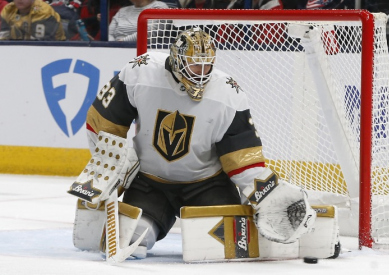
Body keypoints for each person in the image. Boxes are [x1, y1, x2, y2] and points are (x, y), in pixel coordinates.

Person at [69, 28, 316, 259]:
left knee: (230, 247)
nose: (201, 72)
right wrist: (112, 162)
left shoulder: (228, 94)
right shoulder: (140, 72)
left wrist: (266, 192)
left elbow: (243, 158)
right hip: (150, 184)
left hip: (208, 185)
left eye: (207, 65)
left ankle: (286, 228)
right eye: (194, 65)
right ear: (176, 60)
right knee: (128, 240)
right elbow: (101, 120)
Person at [0, 0, 66, 40]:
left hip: (53, 50)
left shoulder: (43, 11)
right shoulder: (8, 10)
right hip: (19, 50)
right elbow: (3, 38)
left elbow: (40, 43)